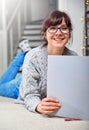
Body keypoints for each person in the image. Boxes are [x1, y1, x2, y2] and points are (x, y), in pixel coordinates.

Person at [17, 10, 78, 115]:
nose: (58, 32)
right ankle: (24, 52)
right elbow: (29, 95)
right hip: (21, 86)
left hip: (40, 86)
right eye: (53, 28)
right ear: (45, 33)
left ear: (69, 33)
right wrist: (37, 106)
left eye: (64, 28)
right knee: (3, 86)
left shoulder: (74, 57)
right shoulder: (33, 57)